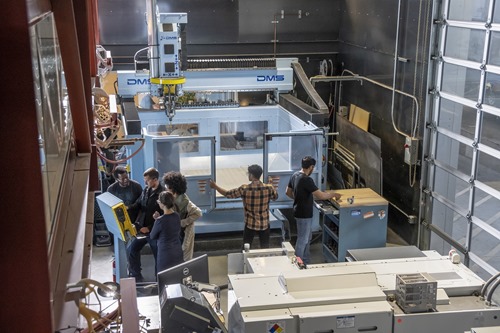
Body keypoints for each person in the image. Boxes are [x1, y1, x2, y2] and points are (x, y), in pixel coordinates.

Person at [286, 156, 341, 265]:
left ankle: (305, 260)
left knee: (307, 237)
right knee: (302, 239)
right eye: (313, 167)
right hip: (304, 214)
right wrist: (334, 194)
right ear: (311, 167)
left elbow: (287, 192)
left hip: (298, 211)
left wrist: (298, 198)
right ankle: (298, 263)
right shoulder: (306, 179)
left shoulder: (295, 175)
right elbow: (320, 195)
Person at [209, 164, 278, 249]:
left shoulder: (244, 189)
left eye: (248, 174)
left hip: (250, 224)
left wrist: (215, 186)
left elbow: (228, 194)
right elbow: (275, 197)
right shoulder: (269, 188)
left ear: (252, 175)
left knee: (246, 247)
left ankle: (245, 261)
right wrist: (270, 185)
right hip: (264, 223)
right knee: (265, 247)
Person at [126, 167, 162, 281]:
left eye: (147, 180)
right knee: (132, 250)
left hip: (154, 232)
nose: (145, 182)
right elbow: (138, 204)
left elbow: (164, 216)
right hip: (142, 230)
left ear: (155, 179)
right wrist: (126, 208)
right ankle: (136, 275)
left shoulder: (163, 194)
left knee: (159, 256)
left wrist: (150, 228)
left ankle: (159, 280)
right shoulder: (146, 190)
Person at [163, 171, 202, 261]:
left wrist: (182, 222)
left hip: (184, 233)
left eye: (166, 186)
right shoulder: (172, 198)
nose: (165, 188)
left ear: (172, 187)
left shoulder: (185, 201)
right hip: (176, 233)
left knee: (185, 260)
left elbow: (198, 213)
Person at [150, 191, 184, 273]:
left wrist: (156, 221)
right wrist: (158, 219)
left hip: (165, 254)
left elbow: (152, 236)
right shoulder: (176, 215)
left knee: (165, 278)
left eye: (158, 201)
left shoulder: (160, 221)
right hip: (177, 251)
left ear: (162, 204)